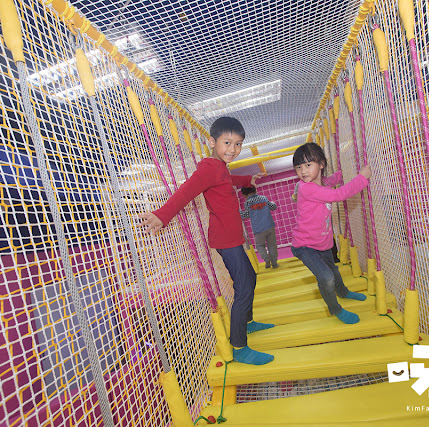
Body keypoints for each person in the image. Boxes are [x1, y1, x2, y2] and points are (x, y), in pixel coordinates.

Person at [138, 117, 275, 365]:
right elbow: (187, 191)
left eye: (238, 144)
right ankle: (239, 347)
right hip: (226, 239)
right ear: (212, 142)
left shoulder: (220, 167)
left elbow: (227, 181)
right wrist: (163, 215)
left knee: (250, 278)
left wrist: (247, 181)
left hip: (233, 237)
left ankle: (247, 321)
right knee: (244, 287)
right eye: (227, 142)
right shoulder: (209, 168)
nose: (233, 149)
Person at [291, 142, 372, 324]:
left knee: (334, 271)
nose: (303, 171)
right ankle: (335, 309)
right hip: (305, 245)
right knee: (326, 277)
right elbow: (339, 195)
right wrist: (362, 178)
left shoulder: (323, 183)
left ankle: (343, 292)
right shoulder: (306, 188)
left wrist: (343, 172)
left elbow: (332, 180)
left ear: (321, 164)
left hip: (323, 243)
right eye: (298, 167)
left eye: (308, 165)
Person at [240, 186, 279, 268]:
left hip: (258, 229)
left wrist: (239, 212)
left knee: (260, 245)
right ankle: (274, 263)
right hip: (269, 225)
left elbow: (246, 215)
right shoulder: (263, 198)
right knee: (272, 245)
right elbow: (273, 207)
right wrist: (273, 203)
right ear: (255, 190)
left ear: (244, 195)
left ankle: (266, 258)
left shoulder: (247, 203)